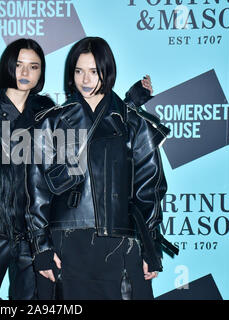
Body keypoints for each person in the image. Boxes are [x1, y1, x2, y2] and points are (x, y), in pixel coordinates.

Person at [0, 37, 155, 300]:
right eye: (18, 65)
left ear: (42, 73)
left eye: (34, 66)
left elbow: (94, 128)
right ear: (7, 66)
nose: (25, 73)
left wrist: (129, 104)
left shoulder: (47, 114)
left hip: (32, 238)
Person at [25, 37, 178, 300]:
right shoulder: (51, 123)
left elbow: (149, 189)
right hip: (66, 245)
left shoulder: (134, 124)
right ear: (70, 74)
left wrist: (150, 248)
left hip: (122, 243)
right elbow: (36, 191)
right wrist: (42, 249)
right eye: (79, 71)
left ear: (107, 72)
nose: (86, 79)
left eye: (94, 71)